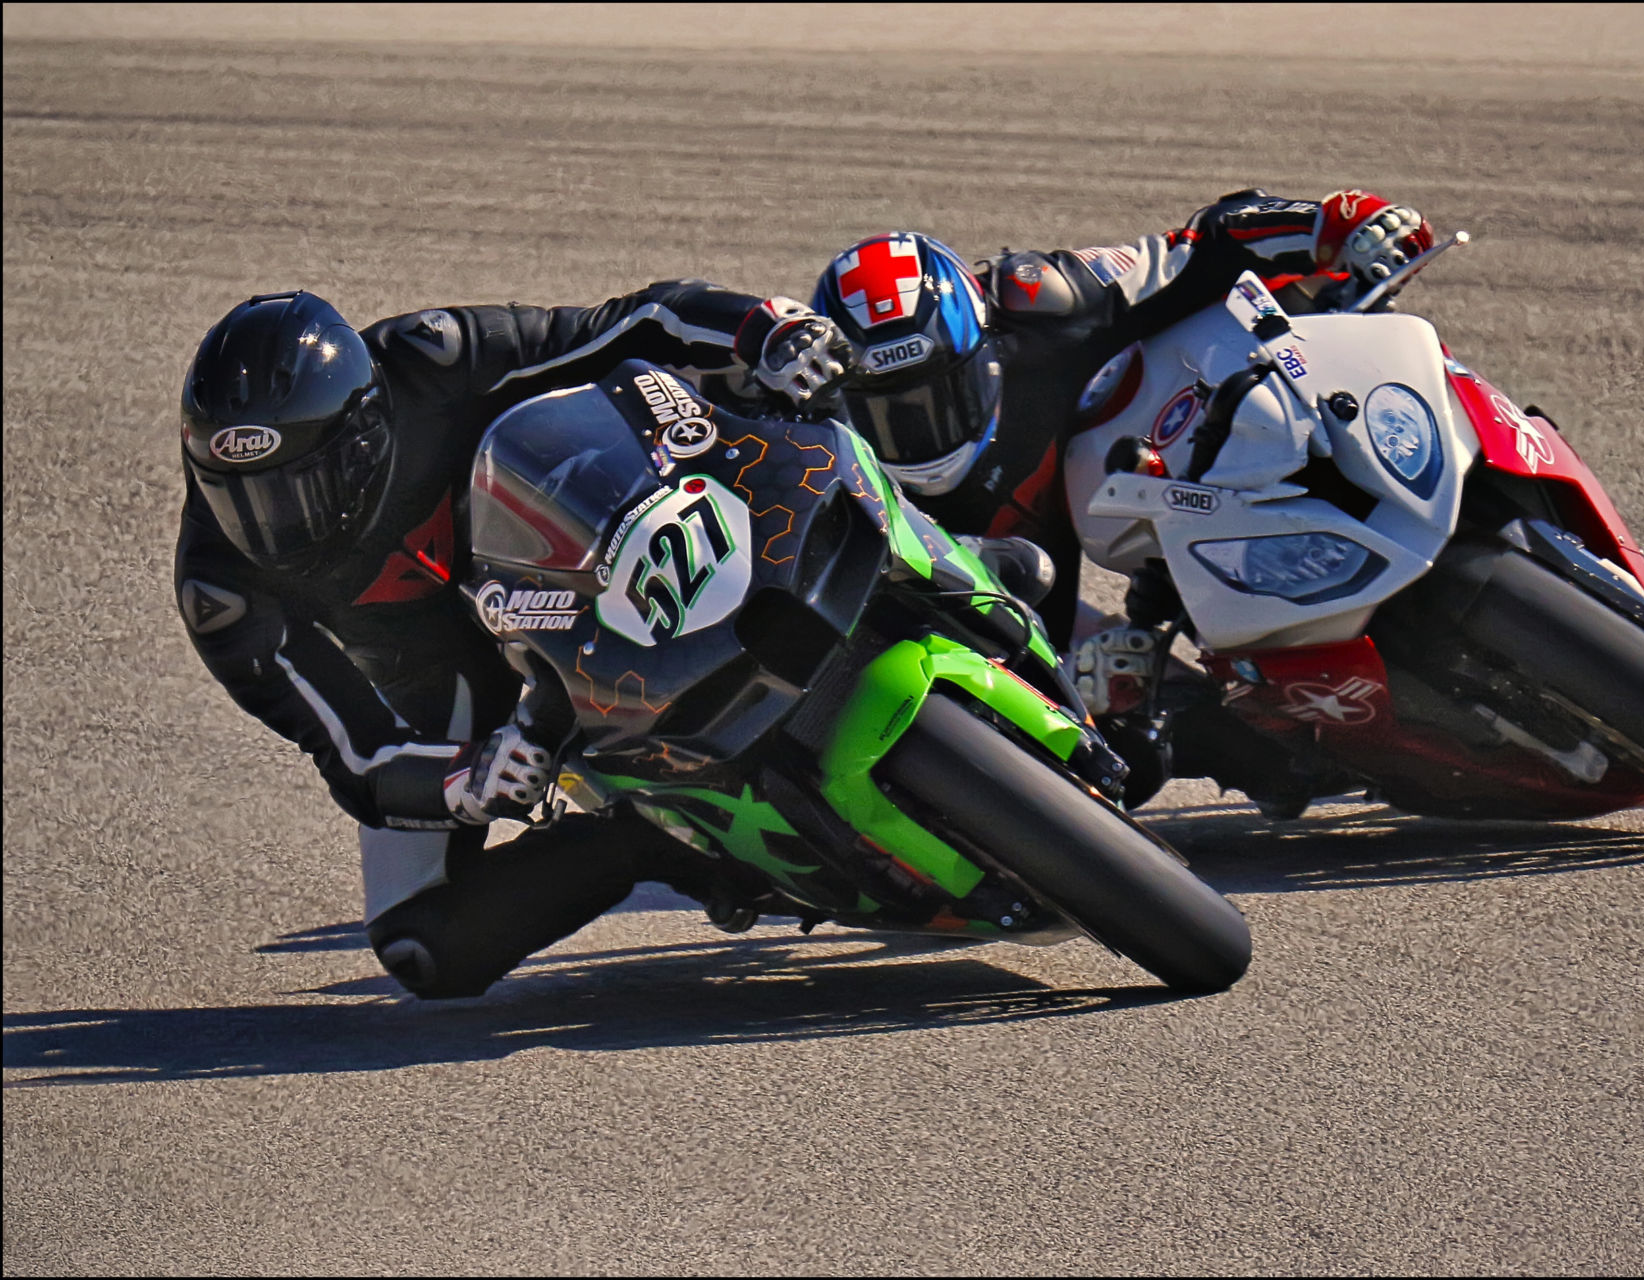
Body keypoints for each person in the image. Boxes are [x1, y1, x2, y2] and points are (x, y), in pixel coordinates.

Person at [176, 284, 850, 998]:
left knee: (779, 387)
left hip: (586, 523)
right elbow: (353, 751)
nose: (274, 524)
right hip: (442, 670)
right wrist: (466, 781)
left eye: (298, 485)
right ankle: (656, 836)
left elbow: (621, 325)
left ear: (365, 433)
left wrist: (759, 328)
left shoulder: (426, 359)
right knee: (421, 942)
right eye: (237, 493)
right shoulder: (223, 593)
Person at [810, 188, 1434, 806]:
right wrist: (1081, 682)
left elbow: (1201, 245)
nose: (921, 427)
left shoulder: (1045, 298)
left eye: (939, 395)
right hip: (1026, 594)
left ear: (985, 344)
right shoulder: (854, 479)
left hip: (1163, 460)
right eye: (887, 411)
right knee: (1130, 762)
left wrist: (1333, 222)